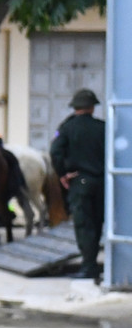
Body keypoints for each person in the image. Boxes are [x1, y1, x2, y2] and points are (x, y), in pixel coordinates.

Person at [50, 88, 105, 282]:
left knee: (84, 225)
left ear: (75, 107)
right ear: (92, 107)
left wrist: (63, 174)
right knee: (97, 224)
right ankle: (92, 264)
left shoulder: (67, 127)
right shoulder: (103, 127)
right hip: (102, 183)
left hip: (80, 183)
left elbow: (55, 151)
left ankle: (88, 267)